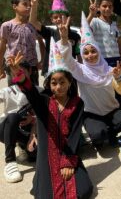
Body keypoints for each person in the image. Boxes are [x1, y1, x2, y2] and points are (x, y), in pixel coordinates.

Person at [8, 47, 93, 198]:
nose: (58, 87)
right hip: (46, 154)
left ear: (69, 82)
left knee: (83, 190)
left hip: (68, 151)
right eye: (54, 83)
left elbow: (74, 133)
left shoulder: (77, 103)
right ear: (49, 84)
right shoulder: (44, 100)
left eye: (62, 82)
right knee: (46, 195)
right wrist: (19, 74)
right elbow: (30, 91)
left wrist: (67, 161)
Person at [58, 13, 121, 149]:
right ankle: (103, 133)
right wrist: (64, 38)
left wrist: (118, 77)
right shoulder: (79, 70)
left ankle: (110, 133)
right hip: (92, 113)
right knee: (98, 137)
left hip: (112, 110)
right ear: (81, 54)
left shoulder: (110, 69)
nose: (90, 55)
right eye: (85, 52)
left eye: (93, 51)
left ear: (99, 51)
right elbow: (66, 58)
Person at [29, 0, 81, 77]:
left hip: (70, 72)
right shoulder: (49, 33)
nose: (59, 19)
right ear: (52, 20)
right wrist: (34, 6)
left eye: (61, 16)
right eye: (55, 17)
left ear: (68, 18)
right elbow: (33, 21)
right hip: (51, 71)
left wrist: (81, 71)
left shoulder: (75, 36)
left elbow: (78, 55)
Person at [0, 61, 37, 183]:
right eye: (14, 72)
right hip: (7, 128)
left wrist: (33, 119)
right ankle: (10, 161)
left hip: (31, 133)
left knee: (34, 155)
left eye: (21, 71)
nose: (18, 74)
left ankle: (22, 146)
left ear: (30, 71)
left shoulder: (39, 91)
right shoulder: (7, 91)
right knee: (12, 116)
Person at [87, 0, 121, 108]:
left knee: (118, 88)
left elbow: (120, 43)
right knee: (105, 89)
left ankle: (119, 112)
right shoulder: (94, 21)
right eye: (104, 6)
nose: (107, 9)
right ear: (99, 8)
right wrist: (91, 14)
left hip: (116, 61)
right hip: (102, 61)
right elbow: (84, 28)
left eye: (110, 6)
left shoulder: (115, 25)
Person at [0, 0, 44, 85]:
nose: (28, 7)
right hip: (13, 67)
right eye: (24, 4)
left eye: (29, 5)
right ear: (15, 6)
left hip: (32, 67)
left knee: (33, 95)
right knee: (15, 95)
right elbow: (2, 47)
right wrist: (0, 67)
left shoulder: (34, 26)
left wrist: (42, 60)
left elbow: (41, 43)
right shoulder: (7, 26)